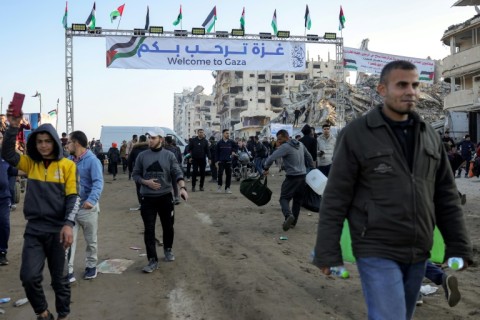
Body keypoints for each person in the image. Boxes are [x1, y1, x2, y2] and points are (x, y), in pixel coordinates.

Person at [312, 60, 472, 320]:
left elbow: (445, 196)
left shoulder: (429, 135)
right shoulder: (357, 134)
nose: (410, 91)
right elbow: (336, 197)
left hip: (419, 249)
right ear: (382, 90)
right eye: (401, 85)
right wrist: (328, 251)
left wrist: (458, 245)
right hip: (375, 247)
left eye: (415, 85)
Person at [2, 106, 80, 320]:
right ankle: (43, 313)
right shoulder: (31, 163)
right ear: (34, 144)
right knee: (28, 277)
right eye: (39, 141)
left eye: (48, 141)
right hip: (34, 230)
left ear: (55, 141)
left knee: (60, 280)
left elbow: (73, 197)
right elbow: (8, 154)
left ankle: (63, 315)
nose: (44, 145)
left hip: (58, 231)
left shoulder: (67, 166)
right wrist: (13, 126)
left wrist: (68, 224)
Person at [132, 128, 188, 273]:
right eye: (149, 137)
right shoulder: (142, 156)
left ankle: (168, 249)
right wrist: (146, 182)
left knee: (168, 226)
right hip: (147, 199)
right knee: (149, 230)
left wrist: (182, 188)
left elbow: (177, 171)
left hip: (165, 198)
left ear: (161, 139)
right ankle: (152, 260)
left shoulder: (169, 155)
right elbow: (135, 175)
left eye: (153, 138)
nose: (150, 140)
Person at [66, 131, 104, 283]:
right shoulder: (68, 161)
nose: (66, 145)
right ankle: (67, 271)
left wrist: (91, 200)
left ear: (76, 143)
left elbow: (98, 182)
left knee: (91, 241)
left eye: (69, 142)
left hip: (87, 208)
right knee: (68, 240)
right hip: (71, 209)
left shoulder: (92, 161)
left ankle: (91, 266)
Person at [263, 129, 313, 230]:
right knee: (297, 201)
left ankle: (288, 215)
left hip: (292, 178)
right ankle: (293, 223)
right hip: (303, 177)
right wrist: (312, 169)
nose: (279, 141)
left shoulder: (285, 147)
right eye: (278, 139)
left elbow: (271, 158)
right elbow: (309, 157)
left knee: (284, 198)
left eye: (280, 139)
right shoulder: (300, 144)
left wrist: (266, 168)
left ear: (286, 137)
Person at [0, 132, 19, 266]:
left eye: (0, 138)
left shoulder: (5, 157)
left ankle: (2, 252)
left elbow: (14, 171)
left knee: (4, 224)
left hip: (3, 198)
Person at [128, 135, 149, 210]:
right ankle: (148, 202)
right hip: (148, 171)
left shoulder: (135, 148)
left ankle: (141, 203)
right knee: (149, 186)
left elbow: (130, 161)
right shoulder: (149, 148)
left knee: (139, 187)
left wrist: (131, 170)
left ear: (139, 140)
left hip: (138, 171)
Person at [215, 129, 238, 194]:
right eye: (226, 133)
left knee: (229, 175)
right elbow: (216, 153)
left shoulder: (231, 142)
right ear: (223, 134)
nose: (228, 134)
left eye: (228, 133)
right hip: (221, 161)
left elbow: (236, 147)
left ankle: (227, 188)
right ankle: (219, 187)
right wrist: (216, 161)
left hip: (229, 161)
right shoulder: (219, 143)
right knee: (220, 174)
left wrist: (233, 151)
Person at [164, 136, 183, 205]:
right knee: (174, 183)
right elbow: (180, 159)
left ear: (165, 141)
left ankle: (168, 198)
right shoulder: (177, 148)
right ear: (171, 141)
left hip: (165, 168)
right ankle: (176, 197)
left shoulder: (163, 149)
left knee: (165, 183)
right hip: (174, 168)